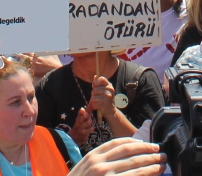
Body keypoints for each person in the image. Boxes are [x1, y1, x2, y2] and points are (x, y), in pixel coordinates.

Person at [33, 49, 164, 154]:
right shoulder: (49, 87)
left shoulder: (140, 80)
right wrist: (72, 139)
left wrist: (112, 113)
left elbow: (154, 151)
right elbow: (38, 156)